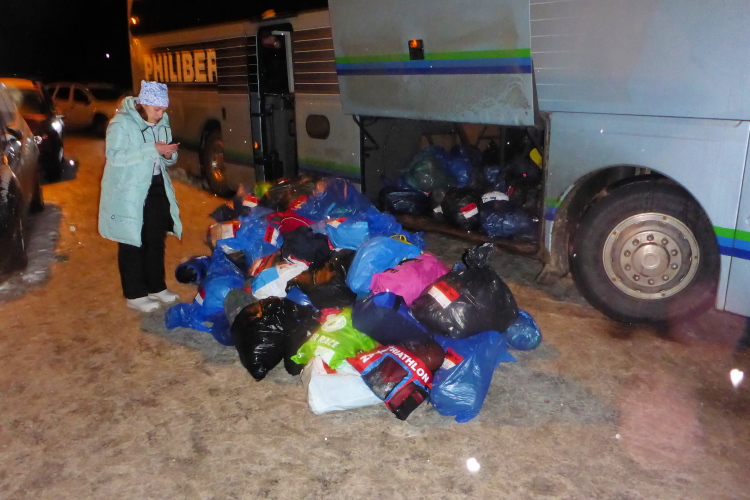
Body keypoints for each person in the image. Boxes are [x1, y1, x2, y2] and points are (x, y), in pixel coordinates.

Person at [98, 81, 182, 312]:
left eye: (163, 109)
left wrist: (168, 154)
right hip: (129, 189)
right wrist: (152, 149)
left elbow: (165, 158)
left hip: (156, 185)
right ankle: (134, 294)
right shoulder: (121, 123)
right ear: (143, 103)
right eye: (157, 109)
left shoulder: (161, 121)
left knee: (155, 237)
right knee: (132, 240)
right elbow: (114, 156)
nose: (161, 114)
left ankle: (156, 286)